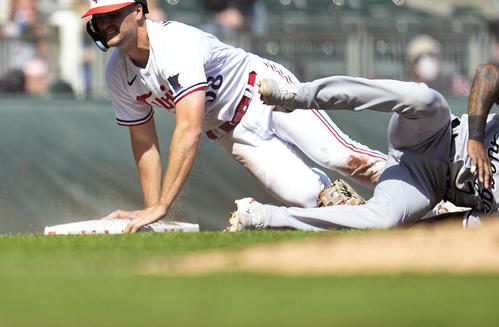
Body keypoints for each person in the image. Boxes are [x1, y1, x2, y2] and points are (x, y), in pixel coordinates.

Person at [81, 0, 387, 232]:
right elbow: (144, 142)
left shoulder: (173, 44)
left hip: (265, 93)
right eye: (99, 17)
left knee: (342, 156)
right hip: (231, 132)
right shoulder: (117, 73)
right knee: (307, 196)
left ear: (137, 12)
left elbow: (188, 130)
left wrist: (162, 205)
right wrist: (150, 210)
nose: (105, 22)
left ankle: (430, 194)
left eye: (113, 13)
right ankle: (386, 224)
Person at [226, 64, 499, 231]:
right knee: (426, 98)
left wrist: (409, 227)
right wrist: (474, 137)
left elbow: (456, 227)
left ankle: (264, 218)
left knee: (383, 221)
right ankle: (301, 94)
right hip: (432, 134)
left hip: (421, 183)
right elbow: (490, 75)